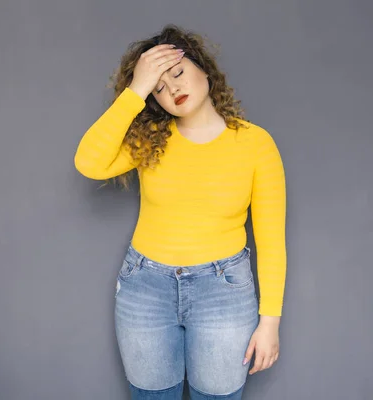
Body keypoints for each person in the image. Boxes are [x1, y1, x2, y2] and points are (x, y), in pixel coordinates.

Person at [74, 24, 287, 400]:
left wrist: (269, 323)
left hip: (224, 293)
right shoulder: (151, 141)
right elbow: (88, 163)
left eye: (177, 73)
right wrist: (136, 90)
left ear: (204, 69)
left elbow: (271, 240)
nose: (172, 89)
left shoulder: (255, 144)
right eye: (159, 87)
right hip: (146, 289)